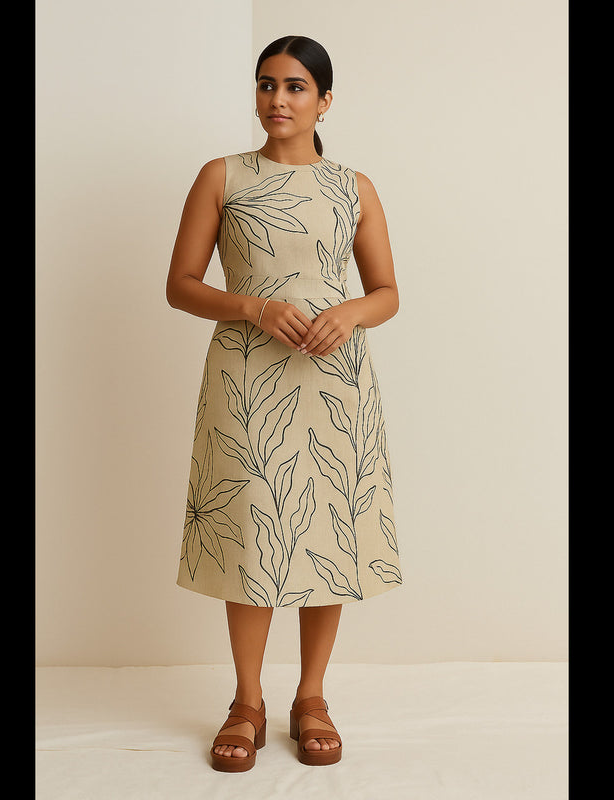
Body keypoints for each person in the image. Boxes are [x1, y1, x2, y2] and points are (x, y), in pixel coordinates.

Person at [166, 34, 403, 772]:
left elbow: (387, 292)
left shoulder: (354, 187)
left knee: (327, 529)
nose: (278, 99)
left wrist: (350, 313)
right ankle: (246, 702)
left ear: (324, 101)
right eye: (267, 84)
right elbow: (180, 284)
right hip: (246, 377)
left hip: (333, 381)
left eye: (296, 87)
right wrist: (253, 306)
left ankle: (311, 698)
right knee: (250, 531)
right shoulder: (222, 176)